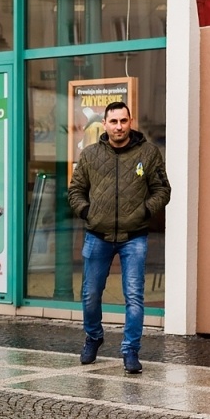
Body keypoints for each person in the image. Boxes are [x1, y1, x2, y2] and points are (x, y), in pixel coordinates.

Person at [66, 100, 172, 374]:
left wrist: (144, 211)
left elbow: (163, 189)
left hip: (134, 237)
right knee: (90, 294)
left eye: (123, 121)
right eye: (113, 121)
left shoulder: (148, 153)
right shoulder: (90, 155)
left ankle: (130, 350)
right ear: (104, 124)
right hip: (97, 235)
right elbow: (75, 190)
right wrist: (87, 212)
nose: (119, 127)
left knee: (134, 295)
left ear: (130, 121)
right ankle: (93, 337)